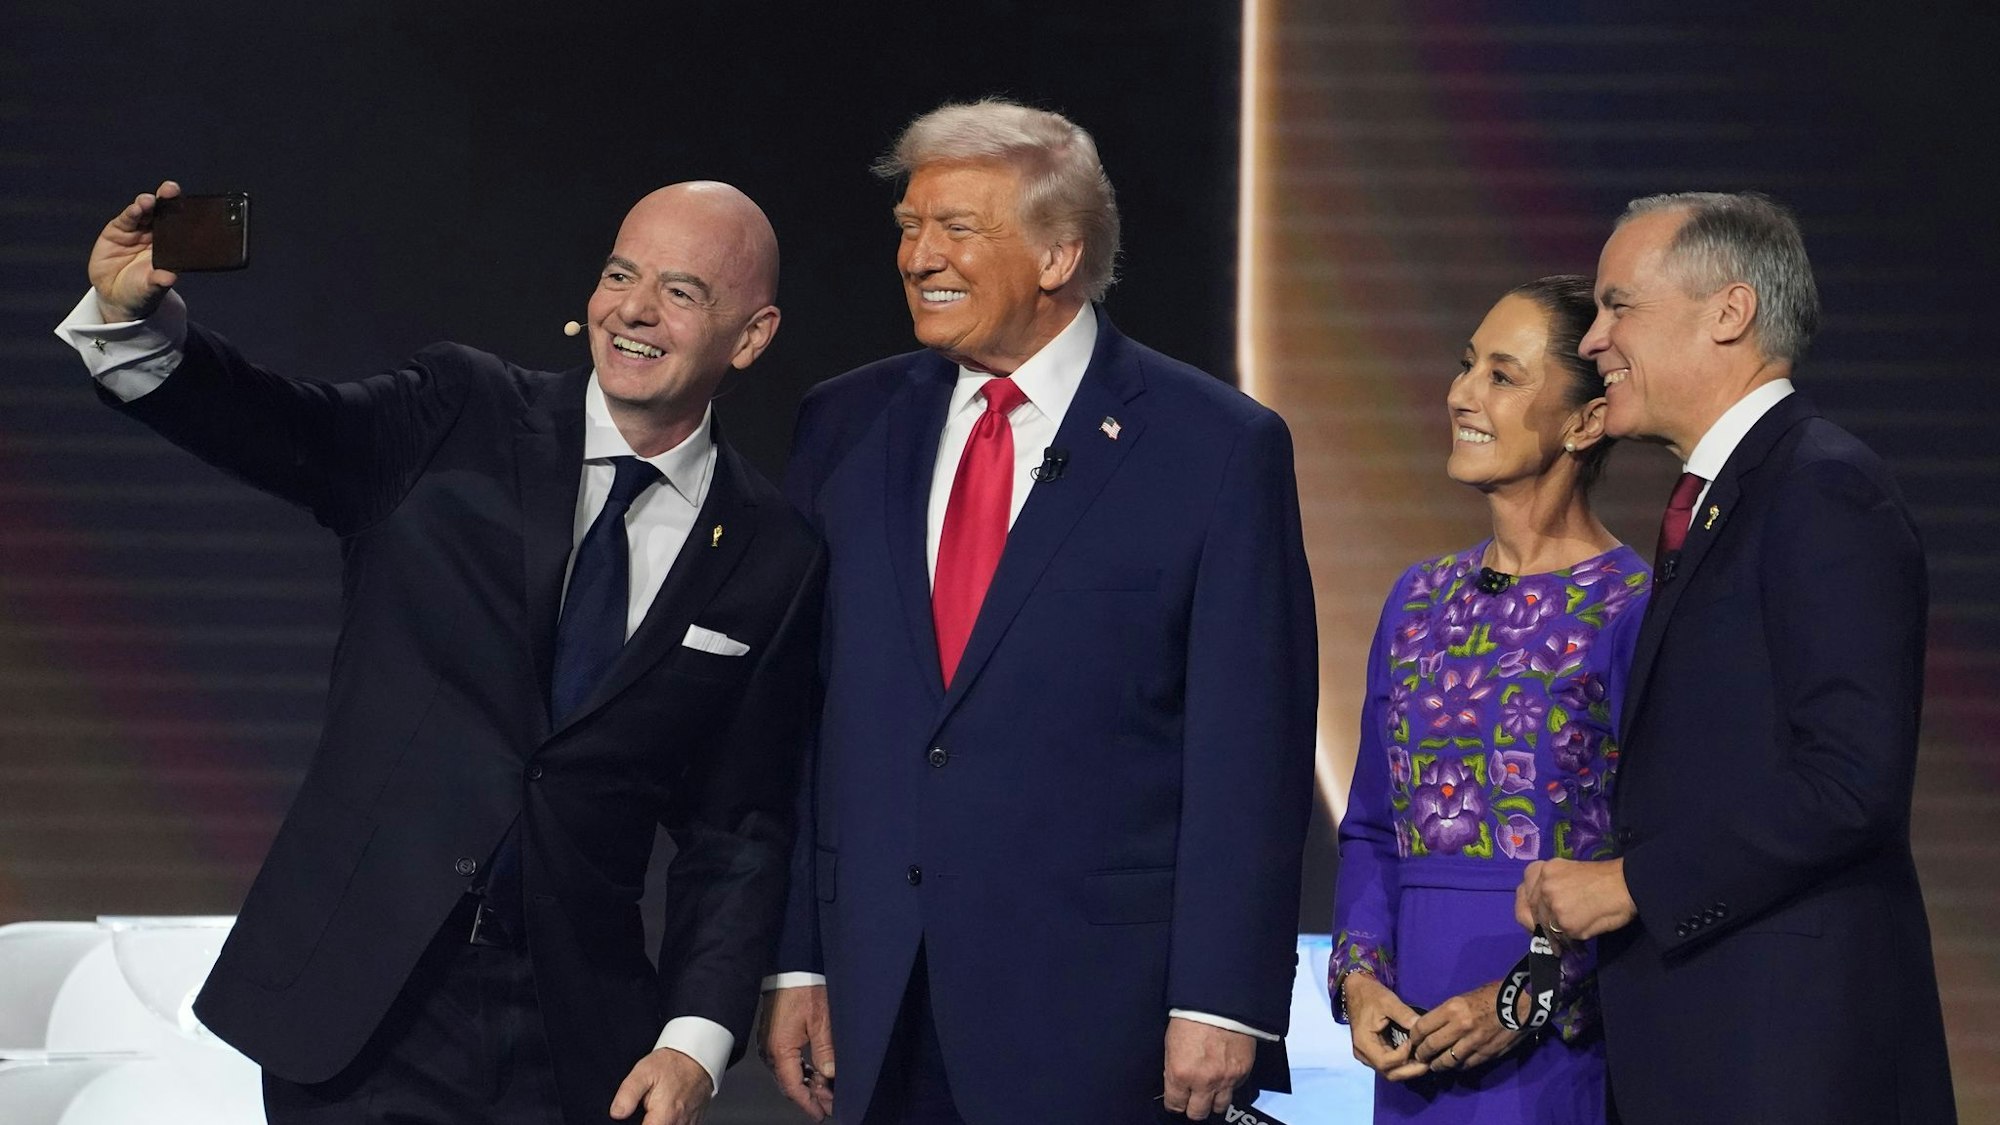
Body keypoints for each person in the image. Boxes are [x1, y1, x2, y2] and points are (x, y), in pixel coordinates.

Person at [56, 179, 824, 1125]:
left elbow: (736, 826)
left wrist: (695, 1039)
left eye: (681, 291)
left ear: (750, 336)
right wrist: (136, 326)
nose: (632, 309)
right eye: (620, 274)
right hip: (361, 1010)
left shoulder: (771, 551)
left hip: (575, 1038)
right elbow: (274, 425)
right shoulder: (460, 411)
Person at [758, 99, 1319, 1124]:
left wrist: (1221, 997)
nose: (916, 254)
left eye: (955, 229)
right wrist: (794, 959)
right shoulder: (842, 426)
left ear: (1059, 255)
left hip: (1100, 1012)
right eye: (907, 227)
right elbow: (804, 719)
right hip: (876, 992)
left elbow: (1249, 750)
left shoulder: (1213, 448)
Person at [1515, 192, 1956, 1123]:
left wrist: (1633, 882)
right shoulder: (1725, 499)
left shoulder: (1822, 487)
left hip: (1788, 1056)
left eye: (1617, 304)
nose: (1593, 340)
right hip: (1713, 1043)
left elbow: (1850, 778)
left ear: (1730, 312)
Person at [1331, 276, 1648, 1124]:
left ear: (1585, 421)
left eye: (1502, 376)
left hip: (1561, 1053)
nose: (1460, 393)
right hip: (1412, 1047)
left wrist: (1522, 1001)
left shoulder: (1633, 609)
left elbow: (1653, 861)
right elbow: (1370, 824)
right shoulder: (1420, 596)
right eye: (1467, 365)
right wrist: (1360, 979)